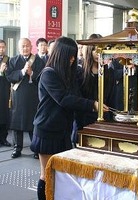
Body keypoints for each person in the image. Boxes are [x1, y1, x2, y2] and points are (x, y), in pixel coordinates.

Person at [30, 36, 108, 200]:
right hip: (47, 130)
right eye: (70, 55)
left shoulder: (69, 73)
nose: (73, 59)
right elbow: (64, 99)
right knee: (46, 175)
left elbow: (79, 92)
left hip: (63, 129)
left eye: (74, 55)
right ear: (61, 54)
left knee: (60, 176)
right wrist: (92, 104)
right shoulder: (48, 74)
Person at [6, 38, 45, 159]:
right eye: (23, 46)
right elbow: (9, 77)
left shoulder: (38, 60)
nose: (25, 48)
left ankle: (35, 149)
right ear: (19, 48)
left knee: (33, 123)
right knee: (17, 124)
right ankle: (17, 148)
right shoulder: (13, 60)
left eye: (27, 46)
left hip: (33, 96)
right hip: (18, 97)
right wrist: (22, 72)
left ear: (31, 46)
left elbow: (42, 77)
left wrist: (32, 74)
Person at [75, 33, 115, 131]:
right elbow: (77, 99)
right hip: (84, 121)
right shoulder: (79, 71)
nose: (98, 53)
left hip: (104, 120)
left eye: (101, 50)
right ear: (89, 50)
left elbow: (112, 100)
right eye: (94, 49)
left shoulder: (109, 72)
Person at [0, 39, 11, 147]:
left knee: (4, 115)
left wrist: (6, 70)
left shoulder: (8, 60)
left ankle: (4, 138)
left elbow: (12, 75)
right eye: (0, 47)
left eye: (3, 47)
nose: (1, 49)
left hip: (5, 91)